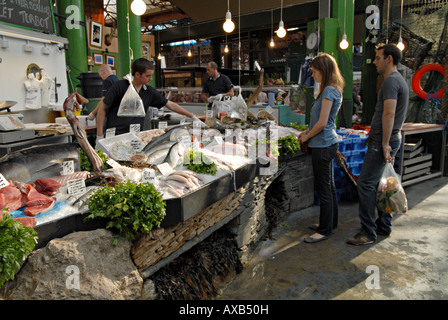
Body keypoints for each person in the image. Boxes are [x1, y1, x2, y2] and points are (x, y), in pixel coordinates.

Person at [346, 43, 409, 245]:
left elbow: (389, 114)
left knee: (365, 184)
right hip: (387, 139)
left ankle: (367, 232)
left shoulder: (391, 82)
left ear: (389, 58)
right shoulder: (399, 81)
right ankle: (383, 226)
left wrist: (383, 143)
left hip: (384, 141)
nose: (374, 62)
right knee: (382, 185)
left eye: (378, 58)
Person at [96, 58, 204, 145]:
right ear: (137, 74)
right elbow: (102, 109)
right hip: (115, 136)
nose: (150, 78)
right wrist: (99, 136)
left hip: (135, 137)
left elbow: (170, 104)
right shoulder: (120, 86)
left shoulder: (148, 91)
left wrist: (192, 116)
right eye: (147, 75)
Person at [298, 53, 345, 243]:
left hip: (323, 145)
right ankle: (330, 223)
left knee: (324, 188)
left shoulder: (328, 92)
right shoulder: (334, 89)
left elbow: (323, 123)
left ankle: (324, 230)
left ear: (324, 71)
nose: (314, 75)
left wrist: (307, 137)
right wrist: (307, 131)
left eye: (315, 72)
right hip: (328, 143)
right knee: (330, 187)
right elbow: (319, 121)